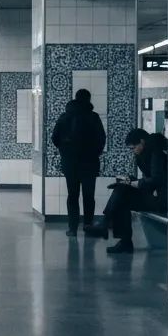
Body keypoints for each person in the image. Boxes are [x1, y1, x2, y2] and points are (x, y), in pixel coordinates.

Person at [87, 128, 168, 253]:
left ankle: (110, 227)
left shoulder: (156, 153)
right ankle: (109, 226)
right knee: (123, 190)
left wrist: (134, 183)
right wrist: (131, 183)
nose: (133, 151)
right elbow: (150, 180)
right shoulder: (145, 154)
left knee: (124, 195)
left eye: (133, 148)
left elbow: (156, 180)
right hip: (155, 195)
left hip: (163, 200)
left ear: (142, 142)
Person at [51, 88, 106, 237]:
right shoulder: (93, 117)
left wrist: (65, 151)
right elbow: (102, 138)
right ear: (89, 99)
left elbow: (54, 137)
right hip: (90, 162)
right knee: (89, 196)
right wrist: (95, 152)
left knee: (72, 195)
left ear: (75, 98)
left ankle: (72, 228)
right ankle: (88, 225)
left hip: (70, 163)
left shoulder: (64, 116)